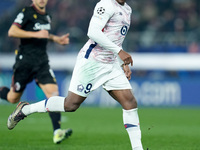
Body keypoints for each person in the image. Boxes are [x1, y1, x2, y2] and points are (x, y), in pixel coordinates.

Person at [7, 0, 144, 149]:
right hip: (92, 62)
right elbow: (93, 32)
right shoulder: (106, 4)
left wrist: (121, 61)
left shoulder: (127, 10)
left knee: (130, 102)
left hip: (111, 65)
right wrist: (120, 52)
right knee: (71, 105)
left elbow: (116, 39)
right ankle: (25, 110)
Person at [0, 0, 72, 144]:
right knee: (12, 98)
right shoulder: (26, 12)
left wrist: (55, 39)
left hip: (42, 63)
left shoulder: (47, 16)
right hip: (25, 62)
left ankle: (57, 132)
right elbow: (12, 31)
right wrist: (36, 34)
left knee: (53, 94)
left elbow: (44, 34)